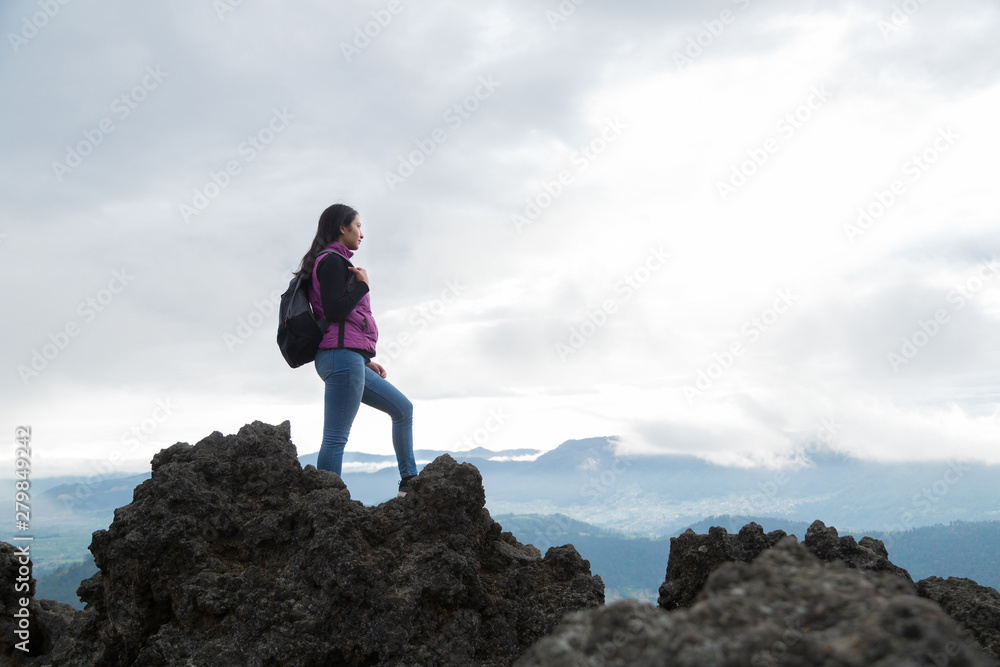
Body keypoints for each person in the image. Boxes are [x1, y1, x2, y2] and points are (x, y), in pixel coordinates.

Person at [294, 203, 418, 497]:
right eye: (358, 226)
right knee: (335, 438)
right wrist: (362, 286)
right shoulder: (333, 261)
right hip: (341, 358)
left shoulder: (332, 261)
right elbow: (336, 310)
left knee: (403, 409)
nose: (362, 233)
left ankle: (409, 484)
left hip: (349, 359)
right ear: (342, 227)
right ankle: (326, 503)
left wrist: (362, 360)